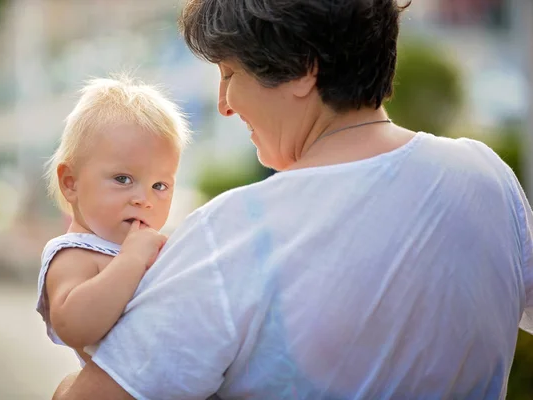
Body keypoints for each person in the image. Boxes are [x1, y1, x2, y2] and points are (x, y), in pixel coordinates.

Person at [52, 1, 533, 399]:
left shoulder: (236, 231)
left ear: (302, 69)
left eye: (229, 73)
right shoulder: (490, 178)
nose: (224, 103)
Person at [37, 74, 190, 365]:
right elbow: (74, 326)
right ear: (71, 183)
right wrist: (132, 260)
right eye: (123, 179)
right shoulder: (74, 253)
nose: (144, 199)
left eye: (160, 186)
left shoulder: (144, 247)